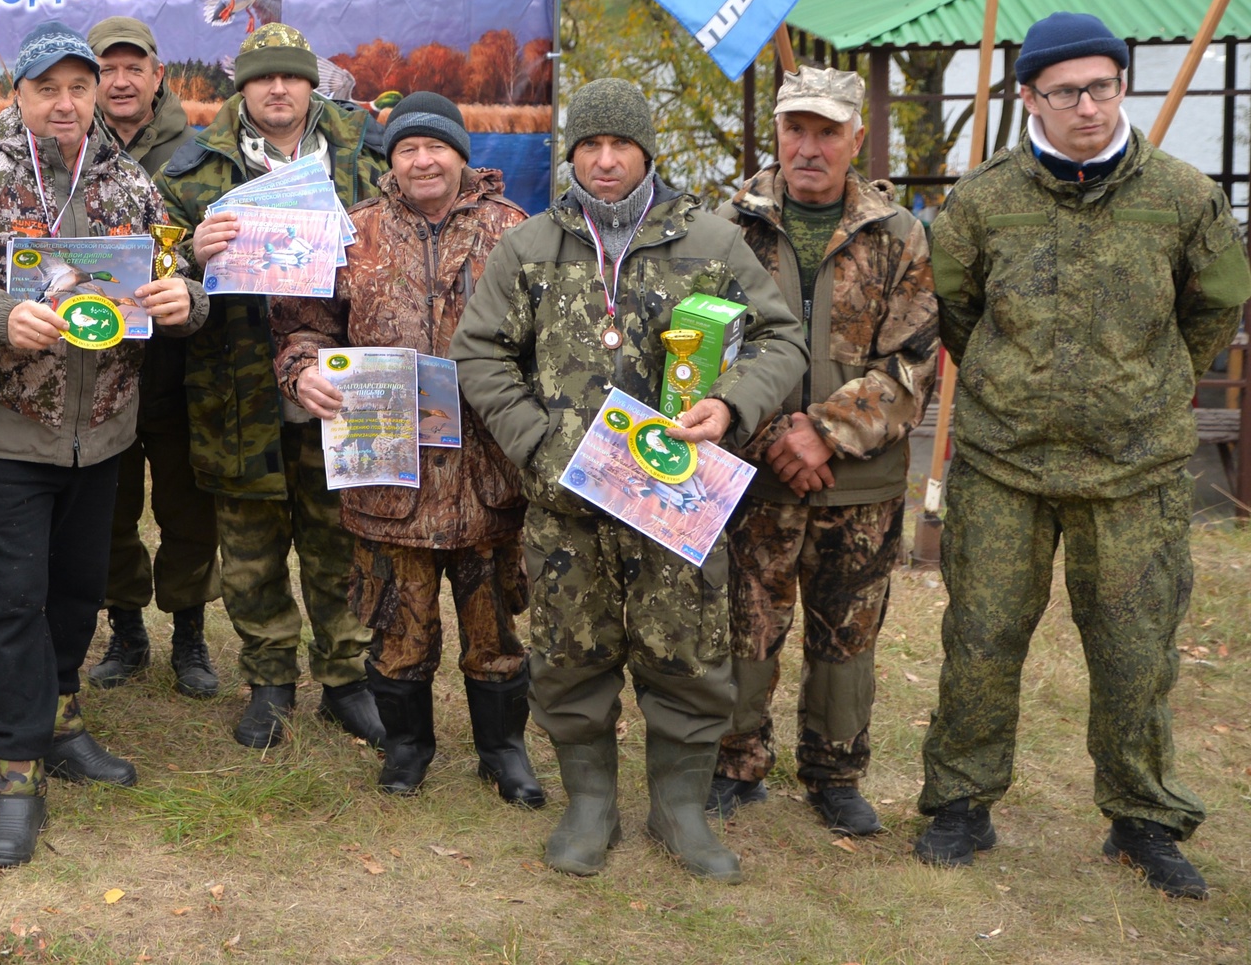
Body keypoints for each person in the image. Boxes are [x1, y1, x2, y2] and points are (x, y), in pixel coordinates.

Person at [914, 12, 1246, 900]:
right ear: (1029, 96)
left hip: (1133, 470)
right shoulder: (982, 199)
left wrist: (1148, 386)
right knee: (981, 640)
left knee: (1138, 650)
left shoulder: (1182, 195)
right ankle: (961, 802)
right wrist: (1013, 386)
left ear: (1122, 87)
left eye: (1103, 85)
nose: (1089, 105)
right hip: (1003, 463)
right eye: (1066, 91)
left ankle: (1143, 818)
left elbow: (1214, 305)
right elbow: (956, 309)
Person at [455, 78, 804, 883]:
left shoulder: (710, 241)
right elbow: (479, 351)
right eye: (590, 145)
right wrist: (539, 442)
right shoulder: (532, 245)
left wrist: (730, 403)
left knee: (687, 654)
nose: (605, 160)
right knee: (570, 654)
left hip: (677, 501)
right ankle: (589, 802)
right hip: (567, 502)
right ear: (571, 152)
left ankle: (679, 807)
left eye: (621, 144)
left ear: (649, 150)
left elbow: (780, 340)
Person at [0, 21, 205, 868]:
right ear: (19, 96)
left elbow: (177, 277)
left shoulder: (129, 182)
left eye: (80, 87)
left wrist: (188, 300)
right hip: (7, 434)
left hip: (103, 432)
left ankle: (62, 718)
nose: (66, 103)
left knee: (78, 590)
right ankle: (15, 768)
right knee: (16, 599)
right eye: (48, 89)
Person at [272, 94, 540, 803]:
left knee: (496, 632)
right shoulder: (351, 233)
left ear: (461, 154)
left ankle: (503, 749)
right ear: (390, 159)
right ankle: (407, 748)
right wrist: (303, 373)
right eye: (406, 148)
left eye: (436, 147)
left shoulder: (516, 232)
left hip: (487, 477)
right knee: (397, 629)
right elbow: (304, 324)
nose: (422, 160)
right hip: (388, 478)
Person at [708, 67, 936, 835]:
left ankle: (836, 775)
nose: (810, 147)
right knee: (745, 628)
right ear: (776, 132)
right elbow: (707, 352)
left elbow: (915, 362)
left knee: (849, 637)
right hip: (753, 477)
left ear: (856, 138)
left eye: (828, 131)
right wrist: (776, 435)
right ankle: (735, 765)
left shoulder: (899, 235)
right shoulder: (726, 227)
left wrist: (825, 431)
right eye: (796, 129)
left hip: (860, 480)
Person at [160, 23, 386, 749]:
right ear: (242, 88)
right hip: (239, 385)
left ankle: (347, 678)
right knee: (251, 547)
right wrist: (188, 253)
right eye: (263, 78)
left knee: (338, 537)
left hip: (342, 381)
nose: (278, 89)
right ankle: (270, 680)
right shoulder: (192, 170)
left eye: (291, 76)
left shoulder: (367, 151)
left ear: (312, 84)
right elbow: (158, 282)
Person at [82, 15, 220, 696]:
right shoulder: (68, 147)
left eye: (134, 66)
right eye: (107, 67)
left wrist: (187, 276)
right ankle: (127, 626)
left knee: (187, 506)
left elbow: (210, 250)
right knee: (108, 503)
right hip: (98, 361)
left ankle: (189, 632)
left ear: (158, 76)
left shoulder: (197, 152)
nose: (121, 79)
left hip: (175, 363)